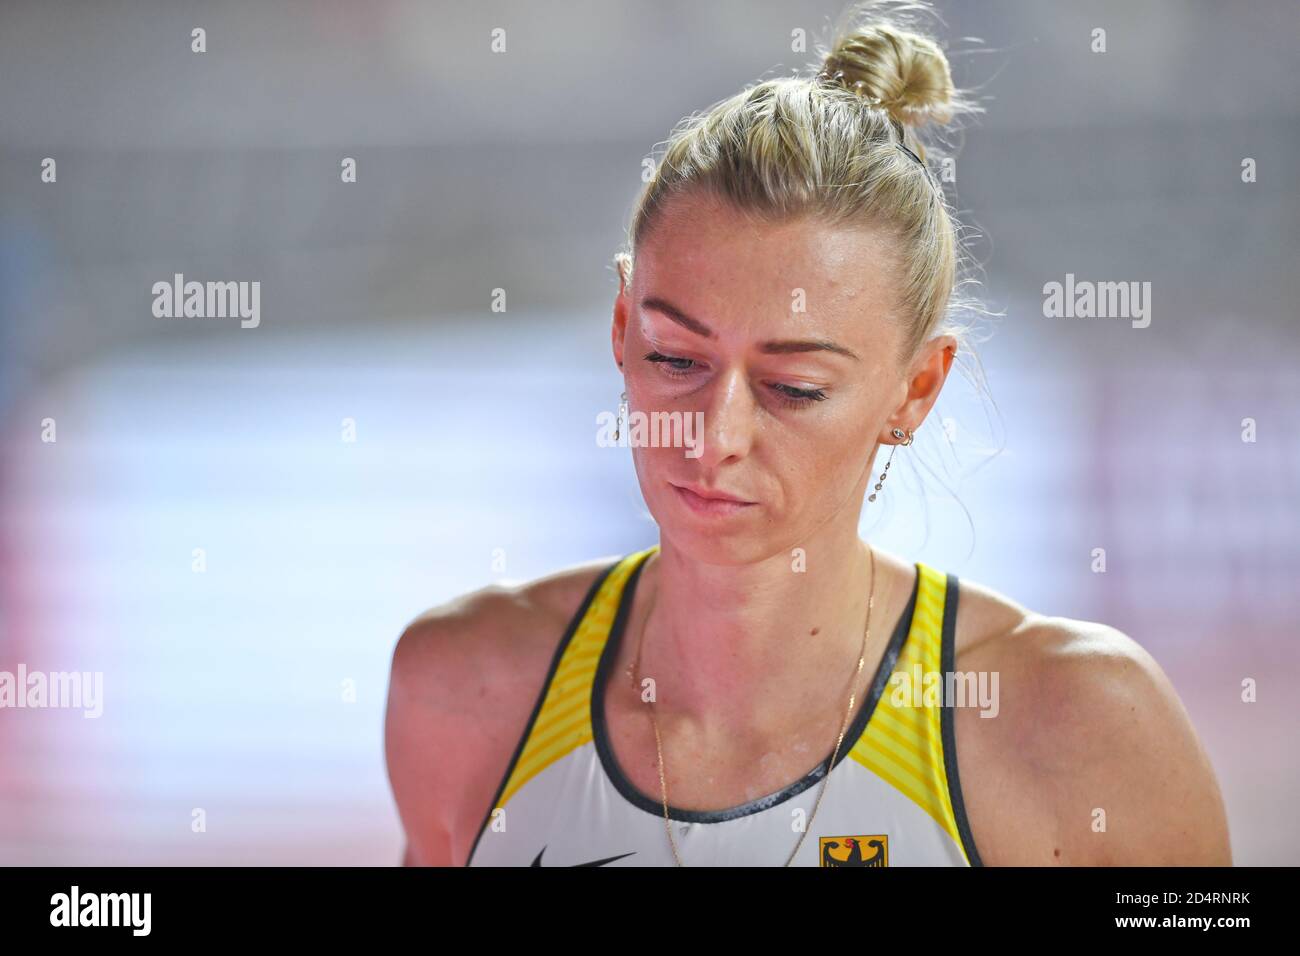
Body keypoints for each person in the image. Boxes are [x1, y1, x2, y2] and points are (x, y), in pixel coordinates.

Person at [384, 0, 1231, 866]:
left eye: (794, 387)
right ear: (619, 333)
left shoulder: (1078, 725)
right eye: (675, 358)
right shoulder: (464, 685)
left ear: (917, 391)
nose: (716, 437)